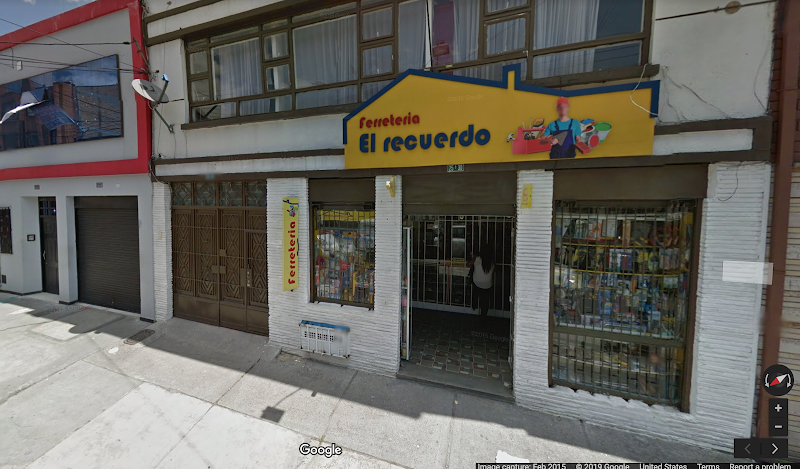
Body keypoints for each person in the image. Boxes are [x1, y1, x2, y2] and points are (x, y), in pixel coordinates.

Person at [467, 246, 495, 319]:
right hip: (488, 284)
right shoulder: (492, 261)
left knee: (475, 292)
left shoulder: (478, 259)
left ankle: (474, 306)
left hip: (477, 283)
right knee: (485, 301)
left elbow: (468, 264)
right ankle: (483, 316)